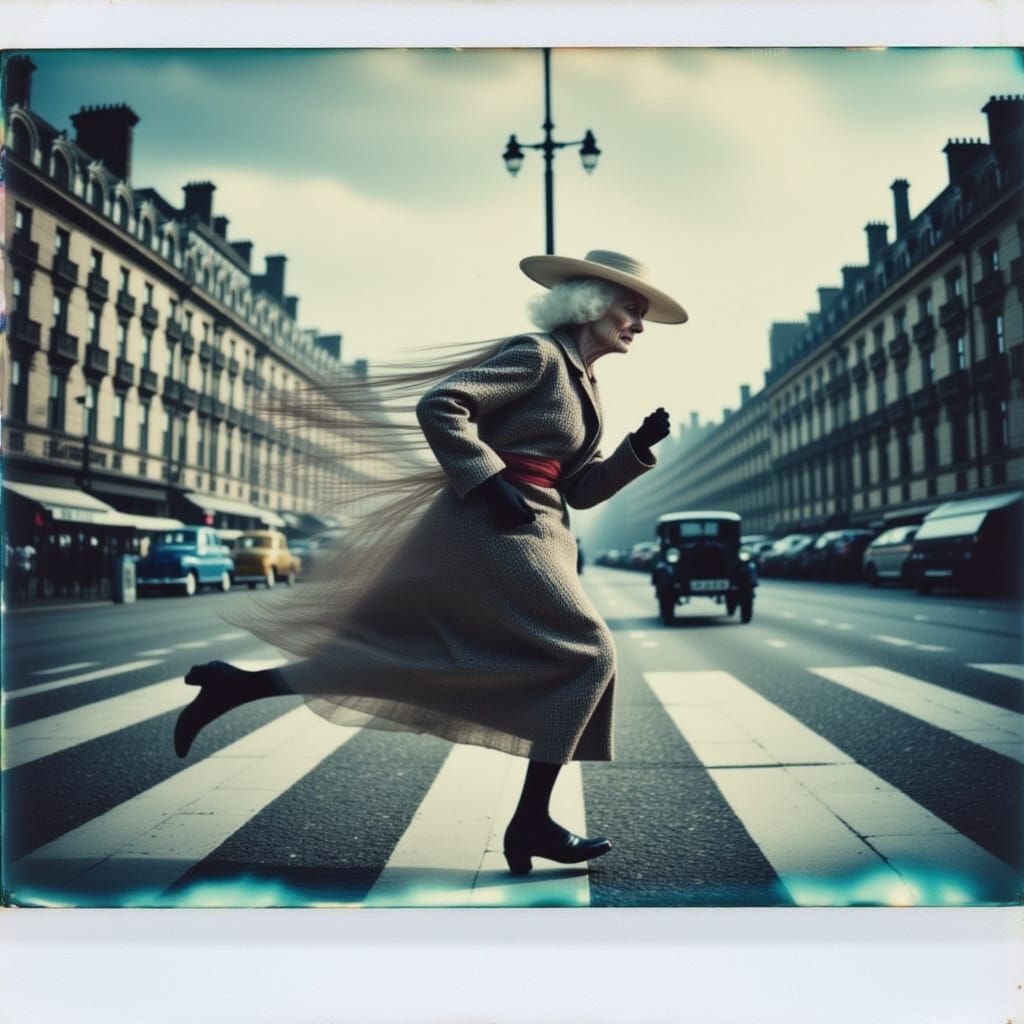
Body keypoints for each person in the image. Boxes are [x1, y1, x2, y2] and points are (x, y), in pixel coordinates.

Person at [176, 249, 688, 875]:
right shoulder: (537, 355)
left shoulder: (587, 383)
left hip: (537, 528)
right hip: (494, 528)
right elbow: (442, 405)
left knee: (423, 655)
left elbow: (576, 489)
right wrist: (491, 481)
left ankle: (240, 684)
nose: (638, 324)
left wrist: (635, 449)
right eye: (631, 308)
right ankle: (531, 821)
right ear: (590, 301)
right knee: (592, 652)